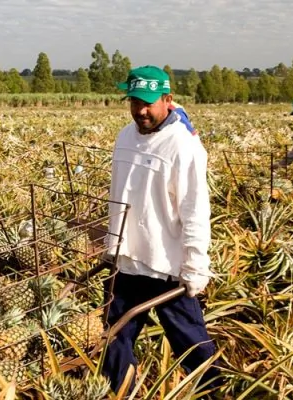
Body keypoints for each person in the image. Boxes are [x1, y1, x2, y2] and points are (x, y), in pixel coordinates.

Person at [99, 65, 221, 395]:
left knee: (191, 343)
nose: (140, 110)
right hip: (127, 258)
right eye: (134, 102)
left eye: (148, 103)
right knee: (114, 337)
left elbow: (195, 210)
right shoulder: (125, 135)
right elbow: (121, 195)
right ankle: (124, 392)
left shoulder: (182, 145)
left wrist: (196, 265)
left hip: (166, 265)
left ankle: (217, 391)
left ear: (168, 99)